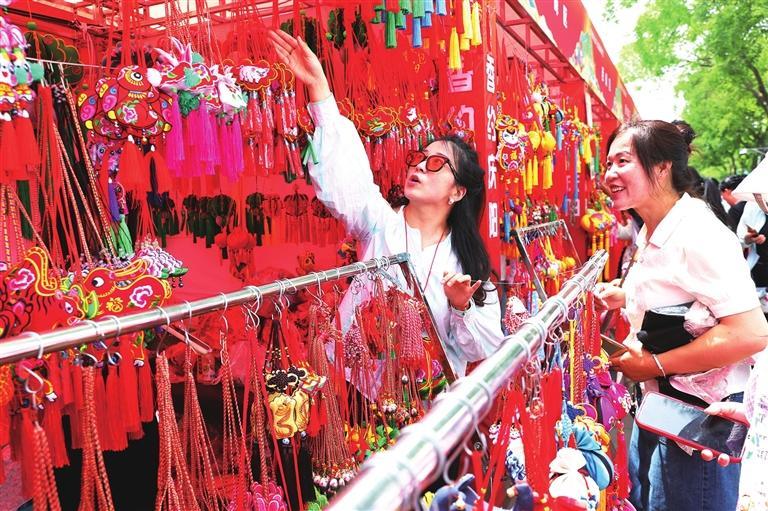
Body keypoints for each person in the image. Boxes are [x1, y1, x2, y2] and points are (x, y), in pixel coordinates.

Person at [268, 30, 504, 382]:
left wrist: (461, 305)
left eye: (436, 163)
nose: (419, 166)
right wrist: (319, 89)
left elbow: (480, 349)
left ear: (457, 192)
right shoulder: (379, 223)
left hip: (429, 399)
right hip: (358, 390)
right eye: (418, 158)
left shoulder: (467, 262)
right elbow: (347, 180)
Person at [595, 120, 768, 511]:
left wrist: (652, 364)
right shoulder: (654, 229)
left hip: (703, 419)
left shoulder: (697, 233)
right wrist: (625, 297)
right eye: (608, 164)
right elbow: (683, 297)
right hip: (666, 409)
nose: (610, 175)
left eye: (623, 161)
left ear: (661, 168)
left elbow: (750, 333)